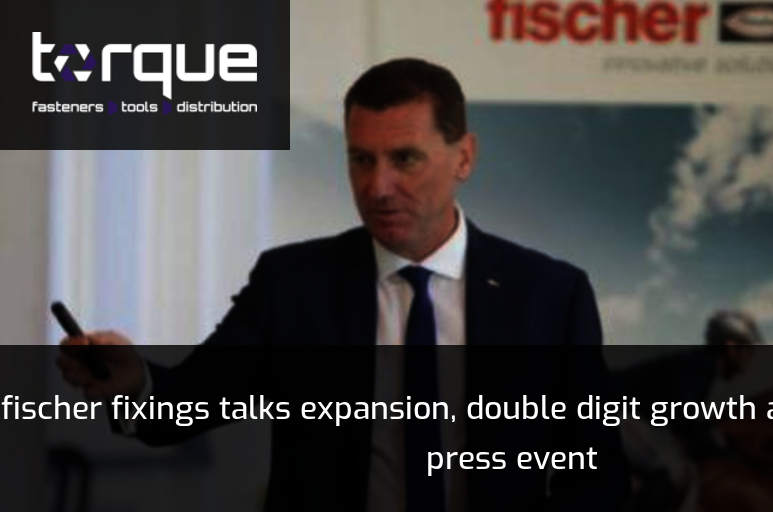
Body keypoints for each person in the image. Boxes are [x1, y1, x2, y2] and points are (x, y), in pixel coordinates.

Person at [56, 58, 630, 512]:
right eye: (360, 159)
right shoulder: (291, 285)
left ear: (464, 158)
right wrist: (131, 384)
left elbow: (595, 473)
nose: (377, 186)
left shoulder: (551, 296)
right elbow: (183, 407)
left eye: (405, 159)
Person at [612, 309, 764, 512]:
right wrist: (715, 446)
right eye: (748, 350)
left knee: (677, 463)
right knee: (673, 469)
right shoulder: (699, 366)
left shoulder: (700, 366)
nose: (749, 359)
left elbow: (679, 420)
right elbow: (683, 416)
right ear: (731, 347)